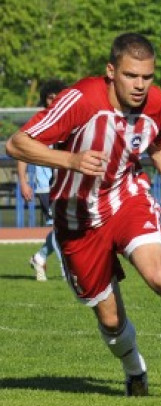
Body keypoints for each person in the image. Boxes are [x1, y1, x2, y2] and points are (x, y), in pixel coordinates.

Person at [5, 32, 161, 396]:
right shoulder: (80, 100)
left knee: (159, 275)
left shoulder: (155, 102)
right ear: (111, 71)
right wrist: (71, 160)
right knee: (110, 319)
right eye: (130, 76)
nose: (140, 85)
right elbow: (17, 143)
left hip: (126, 197)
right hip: (76, 219)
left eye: (147, 77)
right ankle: (135, 369)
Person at [18, 79, 67, 281]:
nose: (54, 99)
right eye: (50, 96)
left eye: (58, 96)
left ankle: (39, 257)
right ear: (44, 99)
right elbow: (21, 151)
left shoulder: (68, 121)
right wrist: (23, 181)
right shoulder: (38, 122)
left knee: (65, 227)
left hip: (65, 184)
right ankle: (67, 271)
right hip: (45, 187)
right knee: (60, 227)